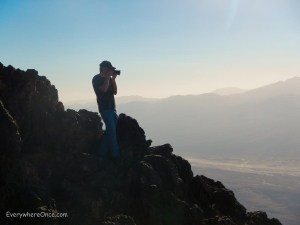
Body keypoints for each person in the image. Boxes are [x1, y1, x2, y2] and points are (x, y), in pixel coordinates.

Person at [92, 60, 120, 158]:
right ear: (104, 69)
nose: (111, 71)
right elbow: (103, 89)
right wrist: (108, 77)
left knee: (110, 131)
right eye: (109, 69)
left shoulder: (109, 79)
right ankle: (116, 156)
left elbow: (115, 92)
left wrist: (113, 79)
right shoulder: (96, 78)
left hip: (112, 108)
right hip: (104, 109)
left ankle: (101, 153)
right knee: (112, 132)